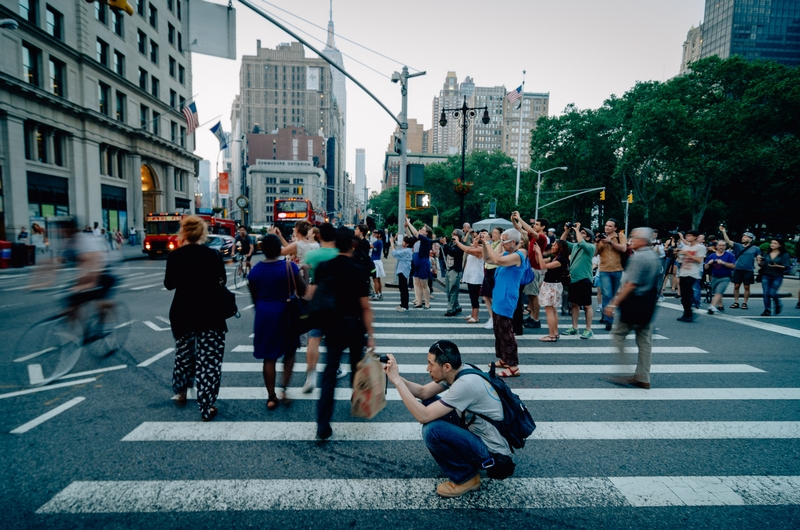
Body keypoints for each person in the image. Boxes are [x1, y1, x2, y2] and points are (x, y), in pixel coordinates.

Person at [383, 341, 513, 498]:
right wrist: (394, 375)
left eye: (430, 364)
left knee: (432, 431)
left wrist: (396, 381)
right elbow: (423, 392)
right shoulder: (461, 370)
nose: (427, 368)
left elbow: (422, 416)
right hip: (477, 431)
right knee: (429, 401)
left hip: (492, 451)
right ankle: (466, 462)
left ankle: (466, 477)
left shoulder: (465, 384)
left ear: (446, 367)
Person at [164, 216, 227, 422]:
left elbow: (169, 284)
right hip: (210, 312)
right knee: (209, 360)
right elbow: (222, 281)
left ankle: (181, 391)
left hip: (183, 312)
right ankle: (206, 405)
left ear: (183, 233)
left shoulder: (175, 256)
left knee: (184, 353)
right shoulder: (213, 255)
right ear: (202, 234)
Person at [315, 227, 375, 440]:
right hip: (354, 326)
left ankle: (323, 423)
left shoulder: (324, 267)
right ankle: (358, 400)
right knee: (357, 366)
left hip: (331, 326)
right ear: (352, 244)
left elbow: (314, 294)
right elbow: (365, 306)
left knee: (330, 372)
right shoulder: (358, 269)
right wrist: (371, 334)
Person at [247, 234, 306, 410]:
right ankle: (284, 390)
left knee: (269, 357)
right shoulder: (289, 267)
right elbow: (302, 290)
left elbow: (254, 297)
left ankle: (271, 397)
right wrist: (306, 271)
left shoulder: (255, 271)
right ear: (278, 250)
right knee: (289, 352)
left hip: (264, 315)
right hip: (286, 313)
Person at [604, 227, 661, 390]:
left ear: (643, 241)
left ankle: (626, 371)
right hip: (648, 304)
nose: (631, 240)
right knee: (645, 341)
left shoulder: (639, 258)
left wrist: (613, 304)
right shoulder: (654, 256)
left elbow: (630, 284)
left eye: (634, 238)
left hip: (633, 303)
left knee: (617, 335)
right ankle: (643, 377)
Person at [301, 223, 343, 393]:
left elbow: (306, 278)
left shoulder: (311, 256)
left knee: (314, 338)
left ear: (319, 236)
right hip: (338, 303)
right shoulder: (340, 255)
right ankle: (336, 368)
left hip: (317, 302)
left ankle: (311, 375)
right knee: (335, 340)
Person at [481, 228, 525, 377]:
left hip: (506, 298)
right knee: (498, 330)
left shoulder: (518, 255)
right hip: (499, 296)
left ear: (513, 242)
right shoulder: (507, 253)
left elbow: (497, 260)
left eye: (503, 241)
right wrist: (484, 245)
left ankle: (513, 365)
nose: (502, 244)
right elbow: (489, 260)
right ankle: (504, 358)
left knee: (506, 332)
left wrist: (488, 243)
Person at [511, 213, 549, 330]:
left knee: (534, 295)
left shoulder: (541, 237)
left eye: (537, 224)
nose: (534, 226)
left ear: (543, 227)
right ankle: (532, 316)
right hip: (530, 268)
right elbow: (519, 229)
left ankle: (536, 319)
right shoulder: (533, 236)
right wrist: (513, 220)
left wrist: (520, 218)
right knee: (530, 296)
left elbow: (530, 231)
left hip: (535, 269)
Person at [560, 223, 595, 339]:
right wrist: (567, 230)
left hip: (584, 279)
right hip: (573, 279)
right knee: (574, 304)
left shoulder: (590, 247)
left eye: (583, 233)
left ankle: (588, 329)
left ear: (588, 237)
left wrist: (577, 230)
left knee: (587, 305)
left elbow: (582, 242)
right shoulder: (575, 246)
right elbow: (562, 242)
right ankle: (574, 327)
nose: (579, 234)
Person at [532, 240, 569, 342]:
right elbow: (540, 262)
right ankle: (555, 333)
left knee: (549, 311)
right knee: (553, 310)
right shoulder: (555, 258)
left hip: (552, 285)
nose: (552, 247)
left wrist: (539, 252)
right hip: (552, 285)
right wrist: (537, 253)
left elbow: (544, 266)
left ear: (560, 248)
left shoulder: (561, 260)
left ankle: (551, 335)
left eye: (555, 246)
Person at [596, 219, 628, 331]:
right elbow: (595, 253)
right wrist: (597, 241)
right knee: (607, 294)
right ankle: (608, 320)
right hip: (604, 270)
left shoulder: (620, 236)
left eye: (610, 226)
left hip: (617, 269)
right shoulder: (600, 237)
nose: (607, 227)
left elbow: (624, 248)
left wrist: (610, 242)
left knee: (613, 295)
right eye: (606, 225)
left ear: (615, 228)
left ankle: (606, 313)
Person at [720, 227, 760, 310]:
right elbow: (728, 241)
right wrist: (724, 231)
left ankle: (745, 303)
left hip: (749, 269)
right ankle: (736, 302)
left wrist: (761, 263)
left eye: (745, 237)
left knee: (746, 287)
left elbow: (758, 258)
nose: (743, 237)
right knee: (736, 286)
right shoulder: (737, 246)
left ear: (751, 239)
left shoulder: (756, 248)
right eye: (743, 236)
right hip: (738, 268)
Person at [676, 230, 706, 322]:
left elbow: (699, 260)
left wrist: (687, 254)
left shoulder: (700, 247)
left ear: (695, 237)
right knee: (683, 295)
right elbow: (679, 260)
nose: (687, 237)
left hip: (693, 273)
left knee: (686, 292)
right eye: (687, 235)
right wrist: (677, 254)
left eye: (689, 236)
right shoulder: (685, 247)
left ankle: (689, 313)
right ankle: (686, 312)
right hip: (683, 272)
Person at [757, 239, 792, 316]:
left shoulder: (784, 254)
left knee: (772, 293)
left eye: (775, 243)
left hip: (777, 276)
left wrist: (777, 266)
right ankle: (767, 309)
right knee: (766, 293)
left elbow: (786, 266)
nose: (772, 244)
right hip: (766, 275)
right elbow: (762, 265)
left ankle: (777, 304)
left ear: (780, 245)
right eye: (771, 243)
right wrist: (759, 262)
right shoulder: (767, 253)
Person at [454, 234, 484, 324]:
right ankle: (472, 314)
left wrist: (457, 241)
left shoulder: (480, 250)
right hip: (471, 276)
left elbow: (466, 249)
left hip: (476, 277)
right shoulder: (475, 248)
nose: (474, 240)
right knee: (472, 296)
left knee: (474, 297)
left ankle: (476, 316)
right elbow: (467, 247)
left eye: (476, 239)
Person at [405, 218, 433, 309]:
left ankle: (427, 302)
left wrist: (409, 223)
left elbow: (415, 233)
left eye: (423, 230)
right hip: (416, 261)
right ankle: (419, 301)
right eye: (421, 229)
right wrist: (406, 227)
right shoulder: (418, 239)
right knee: (417, 282)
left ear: (427, 233)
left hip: (423, 262)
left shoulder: (426, 240)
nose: (420, 230)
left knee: (424, 283)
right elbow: (410, 236)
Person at [480, 227, 503, 329]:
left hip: (495, 270)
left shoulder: (500, 244)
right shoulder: (491, 243)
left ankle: (496, 317)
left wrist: (487, 243)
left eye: (495, 233)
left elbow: (495, 257)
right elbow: (486, 258)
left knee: (494, 296)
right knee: (485, 296)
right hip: (488, 270)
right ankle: (492, 316)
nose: (492, 234)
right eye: (492, 232)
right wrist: (485, 243)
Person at [704, 240, 735, 314]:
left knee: (719, 291)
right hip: (714, 276)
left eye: (723, 245)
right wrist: (709, 263)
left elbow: (733, 266)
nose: (721, 247)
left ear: (725, 246)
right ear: (717, 246)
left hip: (725, 276)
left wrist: (723, 262)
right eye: (720, 245)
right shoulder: (712, 255)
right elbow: (705, 267)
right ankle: (720, 305)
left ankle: (712, 306)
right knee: (716, 292)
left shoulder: (729, 255)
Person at [440, 229, 465, 317]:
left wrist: (445, 244)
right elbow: (445, 252)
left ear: (459, 236)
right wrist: (444, 245)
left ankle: (451, 309)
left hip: (455, 270)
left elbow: (454, 253)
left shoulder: (460, 245)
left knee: (453, 290)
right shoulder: (452, 244)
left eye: (454, 234)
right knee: (448, 291)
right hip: (448, 269)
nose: (452, 235)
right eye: (452, 233)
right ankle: (457, 306)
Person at [390, 235, 414, 312]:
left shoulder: (407, 251)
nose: (402, 242)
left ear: (407, 244)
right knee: (402, 288)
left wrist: (392, 244)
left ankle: (405, 306)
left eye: (404, 241)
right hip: (402, 270)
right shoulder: (407, 250)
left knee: (403, 289)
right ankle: (402, 304)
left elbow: (394, 253)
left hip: (403, 271)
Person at [369, 230, 386, 300]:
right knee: (378, 279)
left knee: (375, 279)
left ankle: (376, 294)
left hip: (375, 261)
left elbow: (370, 246)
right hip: (378, 261)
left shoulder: (378, 242)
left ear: (379, 235)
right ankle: (380, 293)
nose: (374, 234)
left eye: (376, 233)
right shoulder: (380, 242)